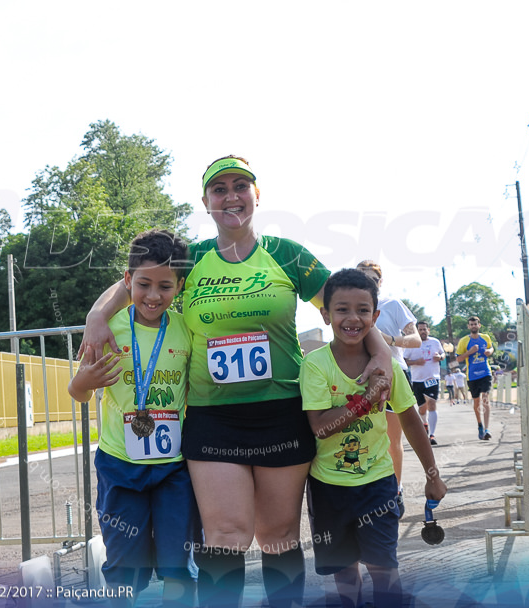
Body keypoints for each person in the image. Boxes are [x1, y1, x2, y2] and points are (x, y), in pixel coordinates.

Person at [79, 156, 395, 608]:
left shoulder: (287, 254)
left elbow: (347, 300)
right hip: (213, 418)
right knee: (225, 533)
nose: (230, 196)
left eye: (240, 186)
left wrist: (381, 350)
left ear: (256, 195)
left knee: (278, 534)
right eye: (219, 189)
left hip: (281, 413)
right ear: (206, 201)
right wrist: (96, 316)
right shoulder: (193, 257)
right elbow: (134, 280)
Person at [299, 269, 446, 608]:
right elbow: (320, 427)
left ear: (376, 316)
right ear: (325, 314)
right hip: (328, 487)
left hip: (379, 483)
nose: (353, 318)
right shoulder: (315, 365)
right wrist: (366, 400)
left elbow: (410, 421)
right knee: (345, 575)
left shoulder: (388, 367)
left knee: (384, 569)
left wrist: (432, 475)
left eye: (363, 310)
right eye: (342, 309)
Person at [67, 230, 196, 607]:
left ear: (179, 287)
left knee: (177, 565)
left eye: (164, 286)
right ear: (127, 281)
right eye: (143, 284)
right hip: (120, 465)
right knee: (126, 565)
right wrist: (84, 382)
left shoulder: (186, 329)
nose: (153, 295)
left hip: (173, 469)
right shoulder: (107, 328)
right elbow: (77, 392)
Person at [354, 260, 420, 505]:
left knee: (392, 440)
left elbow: (415, 340)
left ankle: (396, 491)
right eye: (360, 277)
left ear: (380, 283)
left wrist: (388, 339)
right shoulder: (352, 307)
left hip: (394, 376)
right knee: (364, 438)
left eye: (372, 279)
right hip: (361, 379)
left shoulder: (393, 305)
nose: (366, 283)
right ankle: (369, 492)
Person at [403, 321, 444, 445]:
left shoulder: (435, 342)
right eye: (420, 329)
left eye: (424, 329)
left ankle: (432, 435)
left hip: (432, 378)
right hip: (417, 380)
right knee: (422, 408)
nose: (422, 332)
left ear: (428, 330)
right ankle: (424, 423)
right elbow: (404, 361)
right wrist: (415, 362)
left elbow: (443, 354)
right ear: (417, 331)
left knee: (431, 403)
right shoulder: (412, 344)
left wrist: (440, 357)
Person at [456, 316, 496, 441]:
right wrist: (469, 352)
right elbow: (458, 359)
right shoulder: (464, 341)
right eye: (471, 324)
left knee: (485, 398)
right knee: (477, 402)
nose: (473, 326)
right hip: (472, 375)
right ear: (468, 326)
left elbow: (491, 347)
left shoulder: (485, 338)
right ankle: (480, 424)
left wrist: (490, 351)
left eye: (475, 324)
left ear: (479, 325)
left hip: (485, 373)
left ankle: (487, 429)